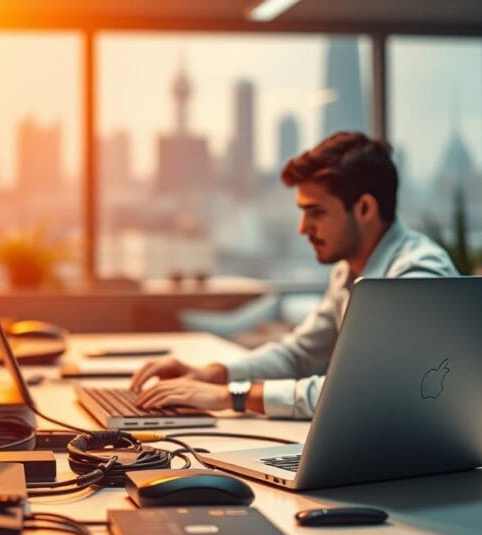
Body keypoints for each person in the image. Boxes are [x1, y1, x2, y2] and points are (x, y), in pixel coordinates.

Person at [130, 131, 458, 419]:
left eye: (315, 213)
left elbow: (364, 393)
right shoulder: (349, 270)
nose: (303, 228)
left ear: (364, 209)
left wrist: (232, 396)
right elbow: (299, 355)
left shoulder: (417, 276)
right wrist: (210, 375)